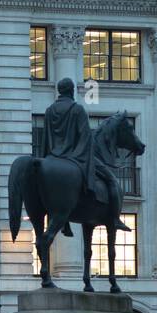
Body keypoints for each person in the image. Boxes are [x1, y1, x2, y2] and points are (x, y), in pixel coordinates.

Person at [40, 78, 128, 235]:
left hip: (53, 155)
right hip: (75, 155)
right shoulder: (77, 109)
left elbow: (46, 136)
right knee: (112, 180)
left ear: (60, 90)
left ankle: (63, 221)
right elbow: (86, 137)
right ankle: (115, 219)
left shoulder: (49, 110)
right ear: (71, 90)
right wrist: (83, 154)